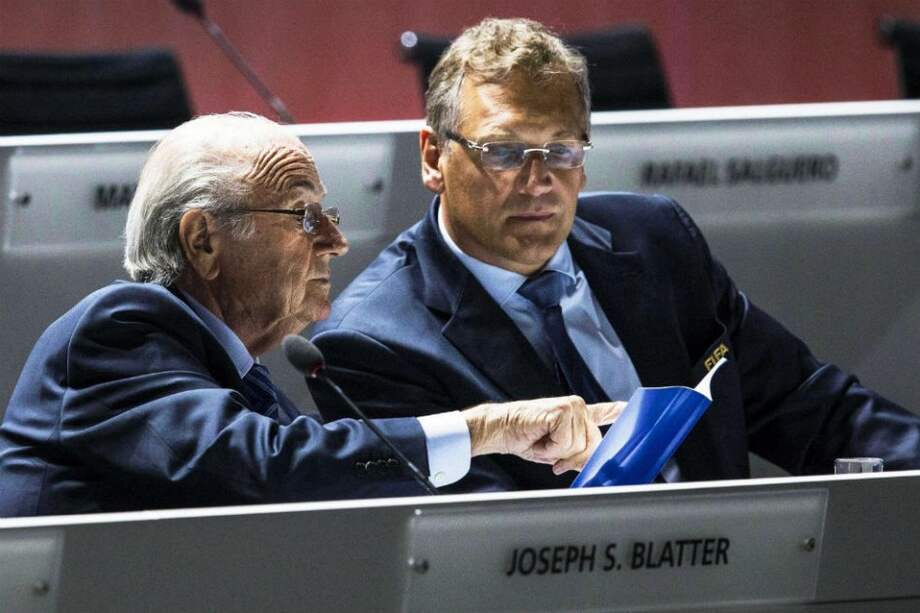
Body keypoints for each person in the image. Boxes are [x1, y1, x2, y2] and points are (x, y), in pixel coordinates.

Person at [309, 17, 920, 492]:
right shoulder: (372, 344)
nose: (538, 181)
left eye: (561, 151)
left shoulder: (655, 242)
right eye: (504, 152)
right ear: (433, 158)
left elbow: (808, 406)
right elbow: (478, 548)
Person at [0, 112, 621, 517]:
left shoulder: (240, 378)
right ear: (203, 241)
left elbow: (335, 487)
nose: (335, 241)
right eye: (303, 215)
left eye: (329, 214)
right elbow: (274, 469)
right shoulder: (117, 330)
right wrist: (486, 428)